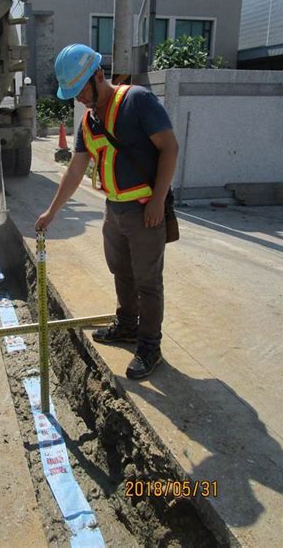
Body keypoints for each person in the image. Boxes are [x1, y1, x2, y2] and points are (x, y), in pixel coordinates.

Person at [35, 44, 179, 380]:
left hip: (146, 210)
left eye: (80, 90)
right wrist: (52, 211)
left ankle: (150, 345)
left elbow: (169, 147)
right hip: (113, 210)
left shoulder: (137, 101)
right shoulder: (89, 121)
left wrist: (158, 200)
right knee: (122, 272)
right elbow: (75, 170)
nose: (79, 99)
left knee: (148, 282)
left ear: (98, 76)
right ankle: (127, 326)